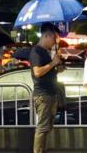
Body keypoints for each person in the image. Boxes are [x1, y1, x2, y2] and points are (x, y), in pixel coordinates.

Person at [29, 23, 62, 153]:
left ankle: (43, 150)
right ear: (46, 35)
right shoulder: (36, 51)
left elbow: (47, 71)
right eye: (54, 39)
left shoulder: (45, 52)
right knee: (42, 128)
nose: (54, 42)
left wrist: (57, 67)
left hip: (50, 94)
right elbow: (37, 72)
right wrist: (53, 63)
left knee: (47, 127)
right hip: (43, 95)